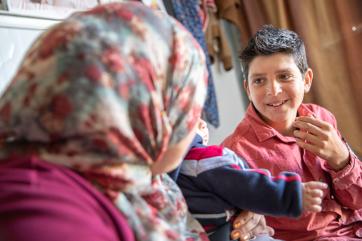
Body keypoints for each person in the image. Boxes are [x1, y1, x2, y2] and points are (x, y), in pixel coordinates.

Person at [0, 2, 210, 241]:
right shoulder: (44, 217)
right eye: (191, 107)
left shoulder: (124, 177)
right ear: (148, 111)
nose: (194, 124)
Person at [222, 25, 362, 241]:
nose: (273, 90)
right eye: (259, 80)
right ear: (248, 90)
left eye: (284, 76)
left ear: (306, 80)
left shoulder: (322, 118)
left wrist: (341, 159)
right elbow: (235, 221)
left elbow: (357, 200)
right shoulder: (234, 153)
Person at [176, 118, 327, 241]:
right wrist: (291, 193)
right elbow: (247, 184)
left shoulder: (166, 177)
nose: (203, 122)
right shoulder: (203, 159)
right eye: (195, 117)